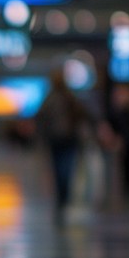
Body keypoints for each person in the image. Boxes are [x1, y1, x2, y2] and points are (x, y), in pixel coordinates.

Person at [35, 66, 90, 220]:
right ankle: (63, 199)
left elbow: (40, 118)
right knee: (64, 170)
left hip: (62, 140)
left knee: (62, 170)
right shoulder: (65, 97)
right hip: (63, 140)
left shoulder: (57, 98)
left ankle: (62, 199)